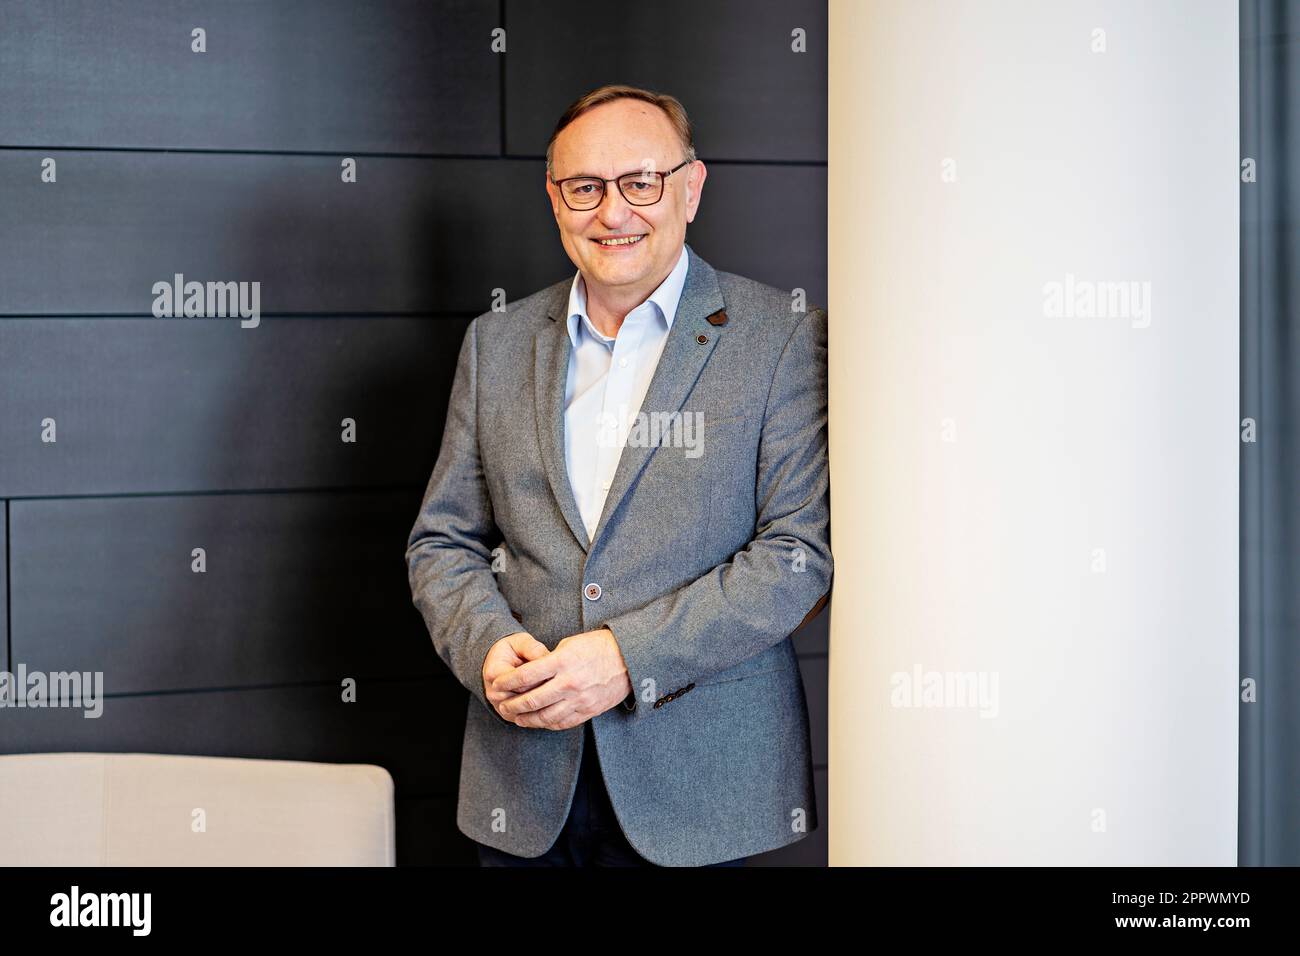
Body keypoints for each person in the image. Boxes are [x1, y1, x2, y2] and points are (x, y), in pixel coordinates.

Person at [406, 84, 831, 867]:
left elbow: (794, 557)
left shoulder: (782, 338)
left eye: (642, 182)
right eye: (585, 188)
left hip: (707, 797)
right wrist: (489, 647)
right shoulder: (494, 344)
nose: (614, 213)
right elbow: (442, 541)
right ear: (554, 197)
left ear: (691, 187)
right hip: (523, 790)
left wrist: (624, 658)